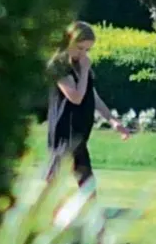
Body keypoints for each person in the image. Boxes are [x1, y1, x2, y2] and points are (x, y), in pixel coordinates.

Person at [47, 21, 130, 189]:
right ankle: (43, 210)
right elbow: (76, 97)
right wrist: (84, 71)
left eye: (87, 49)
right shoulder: (59, 67)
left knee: (83, 176)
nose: (83, 54)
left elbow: (91, 95)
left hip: (80, 129)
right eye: (80, 48)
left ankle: (91, 212)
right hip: (65, 129)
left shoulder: (81, 66)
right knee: (61, 175)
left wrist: (113, 120)